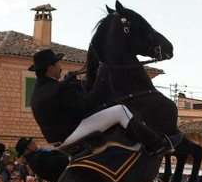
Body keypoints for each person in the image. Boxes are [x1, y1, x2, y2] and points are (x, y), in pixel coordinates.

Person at [28, 49, 177, 156]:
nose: (60, 67)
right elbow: (86, 105)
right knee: (120, 110)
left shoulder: (40, 90)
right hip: (71, 133)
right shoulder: (57, 88)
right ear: (50, 68)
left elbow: (62, 104)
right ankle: (157, 144)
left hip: (57, 140)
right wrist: (101, 80)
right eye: (57, 64)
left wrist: (69, 84)